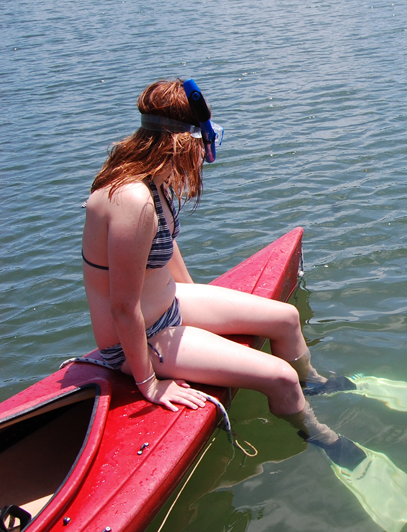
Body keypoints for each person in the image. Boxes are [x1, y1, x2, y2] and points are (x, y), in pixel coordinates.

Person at [81, 78, 368, 465]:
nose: (207, 145)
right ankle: (323, 438)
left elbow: (162, 251)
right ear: (181, 141)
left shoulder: (156, 181)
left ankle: (312, 382)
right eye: (203, 138)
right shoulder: (132, 200)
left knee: (285, 318)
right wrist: (149, 383)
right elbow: (122, 307)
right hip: (141, 336)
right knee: (277, 376)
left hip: (171, 304)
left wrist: (204, 312)